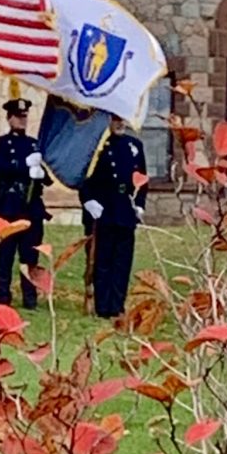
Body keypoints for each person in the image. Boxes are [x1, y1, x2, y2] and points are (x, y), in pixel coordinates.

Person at [81, 115, 148, 319]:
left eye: (123, 120)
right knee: (103, 260)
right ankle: (103, 305)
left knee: (122, 261)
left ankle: (117, 305)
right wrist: (88, 200)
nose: (120, 123)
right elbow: (83, 176)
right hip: (104, 208)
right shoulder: (97, 145)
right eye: (116, 119)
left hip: (125, 209)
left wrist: (140, 204)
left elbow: (142, 179)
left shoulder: (134, 145)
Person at [0, 97, 46, 309]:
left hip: (30, 207)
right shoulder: (0, 143)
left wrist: (39, 171)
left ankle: (29, 297)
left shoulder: (33, 144)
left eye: (24, 117)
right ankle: (3, 295)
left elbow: (46, 177)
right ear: (9, 118)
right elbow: (1, 168)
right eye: (18, 117)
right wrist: (25, 166)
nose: (22, 121)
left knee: (30, 254)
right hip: (8, 205)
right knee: (5, 254)